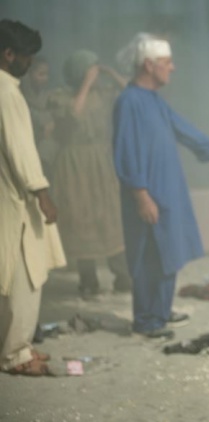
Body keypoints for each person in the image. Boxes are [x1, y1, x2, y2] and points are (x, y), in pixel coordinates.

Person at [112, 33, 209, 339]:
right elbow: (126, 151)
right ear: (149, 65)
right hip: (148, 191)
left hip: (166, 189)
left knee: (168, 252)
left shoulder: (154, 100)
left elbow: (183, 129)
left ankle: (161, 311)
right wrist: (141, 194)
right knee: (149, 255)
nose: (172, 67)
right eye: (167, 62)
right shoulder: (129, 101)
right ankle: (146, 320)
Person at [0, 19, 66, 376]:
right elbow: (21, 151)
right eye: (26, 56)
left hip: (8, 197)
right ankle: (15, 353)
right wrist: (42, 194)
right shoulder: (7, 93)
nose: (29, 63)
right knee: (25, 275)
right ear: (9, 54)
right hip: (16, 200)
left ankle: (17, 345)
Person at [48, 49, 131, 300]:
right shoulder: (60, 97)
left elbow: (131, 91)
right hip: (75, 164)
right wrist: (86, 83)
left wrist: (110, 73)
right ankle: (88, 280)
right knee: (81, 216)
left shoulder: (103, 94)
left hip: (100, 161)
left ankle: (122, 276)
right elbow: (75, 114)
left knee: (110, 215)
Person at [20, 56, 56, 178]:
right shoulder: (20, 95)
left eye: (47, 74)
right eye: (41, 74)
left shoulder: (49, 96)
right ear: (30, 74)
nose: (45, 78)